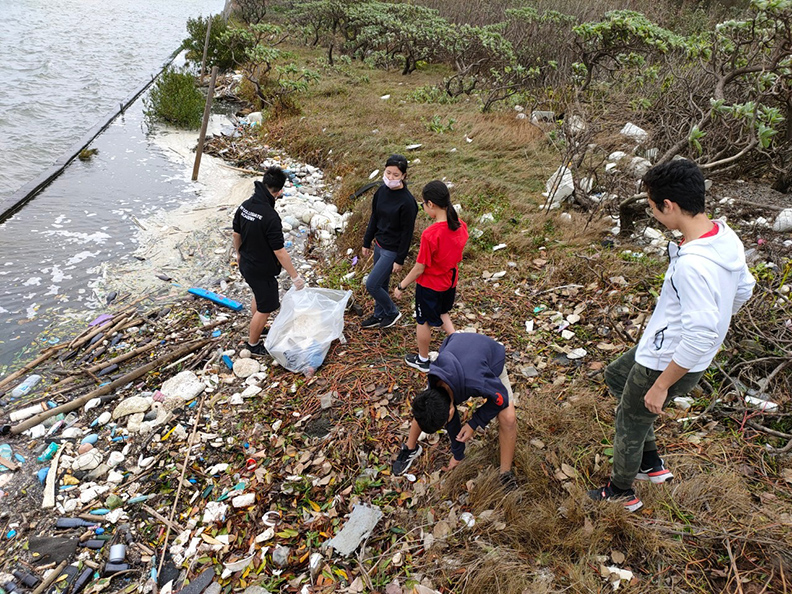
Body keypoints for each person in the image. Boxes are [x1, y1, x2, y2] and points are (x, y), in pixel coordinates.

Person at [589, 159, 755, 512]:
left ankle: (621, 491)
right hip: (670, 349)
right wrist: (718, 311)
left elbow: (699, 334)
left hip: (667, 360)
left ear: (670, 206)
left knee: (630, 418)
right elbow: (744, 289)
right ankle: (651, 464)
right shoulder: (725, 236)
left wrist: (662, 385)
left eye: (653, 207)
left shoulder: (693, 265)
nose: (653, 214)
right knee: (616, 375)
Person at [392, 332, 518, 490]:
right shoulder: (435, 377)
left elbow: (500, 398)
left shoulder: (477, 381)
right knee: (425, 408)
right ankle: (410, 448)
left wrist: (474, 423)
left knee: (508, 418)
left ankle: (505, 473)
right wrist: (458, 455)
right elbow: (450, 421)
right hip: (457, 345)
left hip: (490, 356)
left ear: (451, 412)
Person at [394, 181, 468, 372]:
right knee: (443, 312)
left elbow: (420, 268)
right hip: (450, 282)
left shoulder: (431, 234)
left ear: (431, 204)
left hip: (430, 285)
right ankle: (460, 345)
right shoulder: (460, 225)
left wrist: (401, 285)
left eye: (424, 205)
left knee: (423, 320)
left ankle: (423, 359)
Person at [232, 166, 305, 356]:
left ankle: (258, 326)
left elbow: (236, 232)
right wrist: (295, 276)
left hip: (247, 264)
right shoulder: (271, 217)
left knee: (259, 294)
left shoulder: (245, 205)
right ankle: (253, 344)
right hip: (261, 268)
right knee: (268, 306)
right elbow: (279, 251)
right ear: (279, 191)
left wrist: (238, 253)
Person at [360, 155, 419, 329]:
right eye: (388, 173)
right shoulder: (381, 192)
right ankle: (379, 315)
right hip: (379, 244)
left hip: (392, 250)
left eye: (395, 175)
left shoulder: (408, 202)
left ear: (404, 176)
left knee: (372, 284)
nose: (391, 178)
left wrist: (399, 259)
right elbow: (374, 217)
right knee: (382, 284)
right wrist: (366, 241)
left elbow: (407, 233)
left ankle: (392, 312)